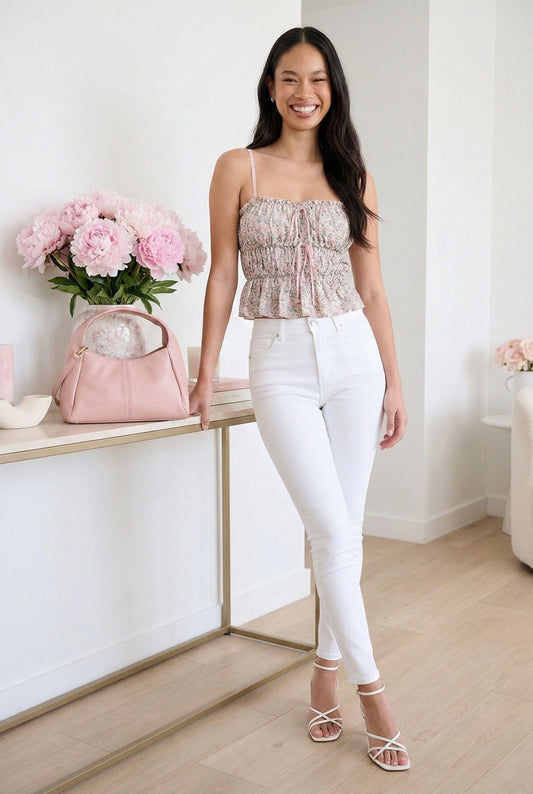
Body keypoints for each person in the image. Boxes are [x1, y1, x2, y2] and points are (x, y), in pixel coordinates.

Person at [189, 26, 410, 772]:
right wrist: (205, 370)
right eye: (288, 78)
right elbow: (222, 274)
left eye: (315, 79)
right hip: (278, 358)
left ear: (332, 87)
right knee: (329, 530)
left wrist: (394, 378)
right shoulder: (238, 167)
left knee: (339, 533)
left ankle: (323, 680)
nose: (302, 93)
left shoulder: (354, 174)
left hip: (354, 357)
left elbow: (372, 286)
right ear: (270, 86)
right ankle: (373, 694)